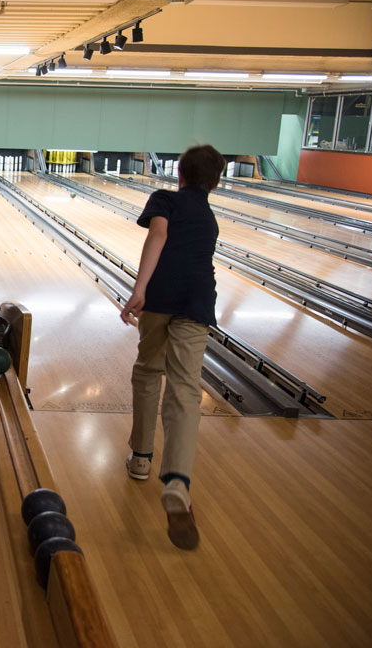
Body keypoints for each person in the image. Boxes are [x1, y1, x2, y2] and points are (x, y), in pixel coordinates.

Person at [119, 144, 225, 551]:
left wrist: (139, 289)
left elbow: (158, 235)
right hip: (198, 302)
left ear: (178, 172)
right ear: (214, 182)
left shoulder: (164, 198)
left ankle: (142, 458)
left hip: (160, 298)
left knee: (148, 372)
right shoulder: (210, 216)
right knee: (185, 390)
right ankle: (178, 482)